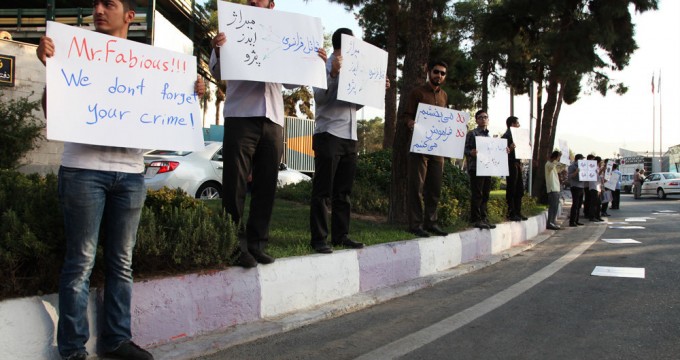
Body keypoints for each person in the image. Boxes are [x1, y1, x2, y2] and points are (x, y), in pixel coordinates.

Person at [36, 1, 205, 359]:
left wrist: (193, 94)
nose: (99, 9)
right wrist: (52, 70)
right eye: (95, 4)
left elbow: (171, 111)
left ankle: (116, 340)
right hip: (83, 169)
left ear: (130, 15)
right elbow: (53, 112)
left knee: (121, 262)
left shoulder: (153, 65)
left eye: (108, 4)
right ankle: (72, 349)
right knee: (81, 261)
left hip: (130, 174)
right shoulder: (71, 51)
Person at [209, 0, 327, 267]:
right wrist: (217, 49)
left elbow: (290, 80)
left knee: (266, 185)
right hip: (241, 115)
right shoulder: (233, 25)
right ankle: (231, 246)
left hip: (273, 119)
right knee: (235, 184)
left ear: (271, 4)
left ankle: (257, 244)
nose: (253, 1)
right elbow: (218, 71)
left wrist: (312, 62)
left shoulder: (283, 30)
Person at [309, 28, 389, 253]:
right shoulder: (324, 65)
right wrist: (333, 75)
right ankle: (319, 239)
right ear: (344, 42)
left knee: (343, 191)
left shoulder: (355, 69)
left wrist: (375, 90)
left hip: (350, 136)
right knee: (323, 190)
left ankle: (341, 235)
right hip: (329, 134)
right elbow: (320, 98)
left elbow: (355, 103)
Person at [402, 60, 450, 238]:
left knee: (434, 187)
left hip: (437, 149)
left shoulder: (444, 95)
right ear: (429, 72)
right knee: (417, 186)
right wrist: (410, 123)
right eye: (437, 72)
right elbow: (406, 115)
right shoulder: (417, 93)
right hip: (419, 147)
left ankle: (431, 222)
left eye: (443, 73)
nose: (439, 75)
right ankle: (415, 224)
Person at [464, 109, 499, 230]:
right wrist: (471, 152)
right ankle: (475, 219)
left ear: (488, 120)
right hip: (476, 168)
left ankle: (484, 218)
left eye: (485, 117)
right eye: (480, 117)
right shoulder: (472, 134)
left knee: (485, 195)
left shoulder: (489, 136)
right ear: (476, 120)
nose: (483, 119)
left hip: (487, 168)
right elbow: (464, 149)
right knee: (477, 194)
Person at [501, 116, 527, 221]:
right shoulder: (506, 137)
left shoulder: (518, 137)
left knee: (519, 189)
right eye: (517, 123)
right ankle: (511, 213)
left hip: (518, 164)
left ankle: (517, 211)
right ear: (512, 124)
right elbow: (501, 154)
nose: (519, 125)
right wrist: (510, 149)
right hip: (511, 165)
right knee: (512, 188)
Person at [545, 150, 565, 230]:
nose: (559, 159)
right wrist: (556, 160)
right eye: (558, 157)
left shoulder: (553, 165)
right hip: (552, 188)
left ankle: (552, 222)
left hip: (556, 188)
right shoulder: (548, 164)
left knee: (555, 206)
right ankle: (550, 222)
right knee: (552, 206)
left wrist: (564, 165)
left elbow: (558, 170)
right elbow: (553, 166)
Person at [568, 154, 586, 227]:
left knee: (579, 205)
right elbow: (570, 176)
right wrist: (576, 172)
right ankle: (572, 221)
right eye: (581, 159)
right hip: (575, 187)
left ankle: (576, 220)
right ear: (578, 159)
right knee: (575, 204)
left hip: (581, 187)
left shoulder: (583, 166)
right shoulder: (572, 166)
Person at [587, 156, 604, 222]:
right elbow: (596, 176)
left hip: (598, 186)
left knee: (598, 203)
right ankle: (592, 216)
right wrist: (601, 171)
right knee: (594, 203)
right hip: (594, 186)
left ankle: (597, 216)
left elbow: (600, 177)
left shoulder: (598, 168)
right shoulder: (592, 167)